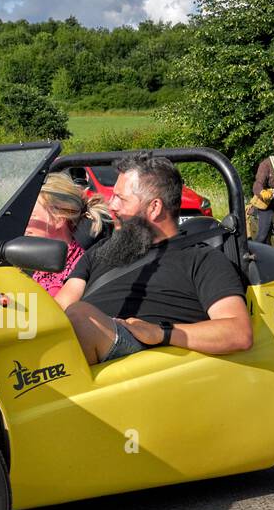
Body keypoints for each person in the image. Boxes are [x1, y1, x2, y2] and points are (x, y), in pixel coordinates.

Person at [55, 155, 253, 365]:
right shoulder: (101, 251)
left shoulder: (201, 259)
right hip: (84, 351)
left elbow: (238, 332)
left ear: (154, 208)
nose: (111, 205)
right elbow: (59, 308)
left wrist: (162, 332)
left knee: (81, 318)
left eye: (120, 198)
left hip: (144, 358)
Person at [24, 171, 111, 295]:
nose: (25, 223)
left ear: (58, 219)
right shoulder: (30, 261)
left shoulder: (80, 270)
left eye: (31, 215)